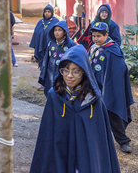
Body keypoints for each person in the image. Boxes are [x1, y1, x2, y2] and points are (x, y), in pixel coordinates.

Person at [30, 45, 120, 173]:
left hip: (85, 161)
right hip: (59, 156)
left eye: (75, 71)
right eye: (65, 70)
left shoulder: (94, 101)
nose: (69, 76)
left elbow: (99, 145)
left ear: (84, 71)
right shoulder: (54, 96)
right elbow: (47, 137)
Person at [89, 22, 134, 153]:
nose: (96, 39)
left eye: (98, 36)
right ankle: (94, 140)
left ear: (106, 35)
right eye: (94, 36)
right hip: (93, 88)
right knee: (92, 115)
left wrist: (108, 88)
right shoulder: (93, 48)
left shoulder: (113, 51)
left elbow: (119, 71)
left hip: (108, 89)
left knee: (112, 114)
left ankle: (123, 141)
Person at [39, 21, 76, 96]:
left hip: (63, 74)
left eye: (59, 30)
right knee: (50, 92)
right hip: (51, 73)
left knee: (61, 93)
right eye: (55, 30)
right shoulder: (51, 43)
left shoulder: (71, 45)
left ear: (65, 32)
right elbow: (46, 60)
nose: (57, 32)